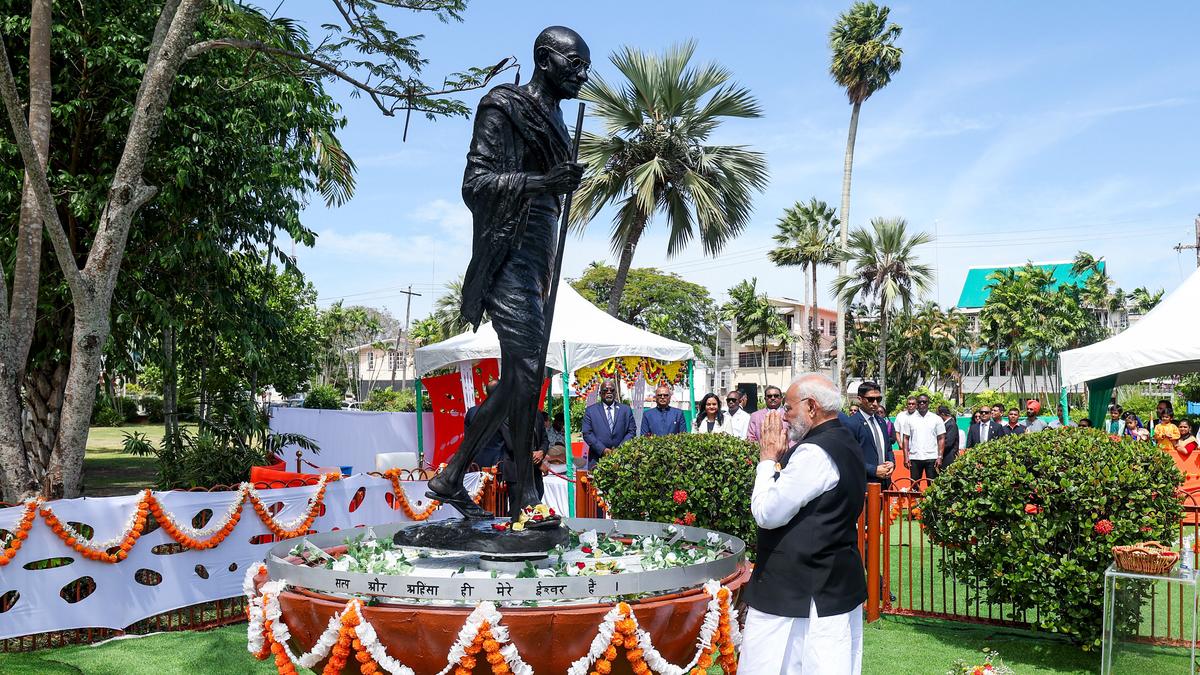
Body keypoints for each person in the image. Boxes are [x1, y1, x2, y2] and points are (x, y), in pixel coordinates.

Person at [427, 26, 590, 521]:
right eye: (574, 64)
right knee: (525, 371)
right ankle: (520, 492)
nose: (583, 75)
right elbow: (475, 183)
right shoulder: (504, 105)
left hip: (540, 257)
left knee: (527, 374)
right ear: (544, 59)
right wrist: (544, 181)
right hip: (507, 253)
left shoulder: (559, 119)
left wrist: (561, 184)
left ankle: (459, 476)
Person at [741, 374, 866, 674]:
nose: (784, 416)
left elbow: (767, 512)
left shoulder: (814, 452)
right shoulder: (844, 440)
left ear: (811, 407)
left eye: (788, 407)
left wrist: (767, 460)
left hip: (800, 589)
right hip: (830, 579)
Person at [839, 381, 894, 487]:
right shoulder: (851, 423)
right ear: (860, 399)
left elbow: (888, 449)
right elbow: (848, 458)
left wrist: (891, 463)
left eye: (878, 399)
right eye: (870, 399)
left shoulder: (882, 422)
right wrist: (874, 470)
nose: (875, 403)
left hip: (885, 483)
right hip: (863, 485)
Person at [581, 379, 636, 470]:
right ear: (600, 393)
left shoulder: (626, 410)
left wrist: (620, 450)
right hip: (597, 459)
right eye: (605, 390)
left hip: (621, 459)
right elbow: (587, 433)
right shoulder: (590, 411)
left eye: (612, 390)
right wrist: (603, 450)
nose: (609, 392)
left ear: (615, 392)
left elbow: (631, 431)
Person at [464, 380, 507, 468]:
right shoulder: (503, 413)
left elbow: (467, 439)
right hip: (498, 464)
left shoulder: (472, 412)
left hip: (475, 463)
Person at [903, 394, 945, 483]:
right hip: (915, 458)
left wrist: (940, 456)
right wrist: (906, 457)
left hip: (932, 457)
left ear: (928, 403)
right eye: (919, 402)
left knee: (933, 486)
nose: (922, 404)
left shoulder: (936, 419)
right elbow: (905, 438)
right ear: (917, 404)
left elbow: (941, 438)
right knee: (914, 487)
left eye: (924, 402)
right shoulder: (909, 419)